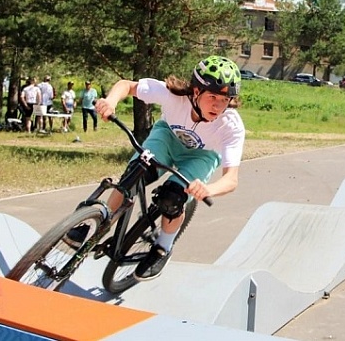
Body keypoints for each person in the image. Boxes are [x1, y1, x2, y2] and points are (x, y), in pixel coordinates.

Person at [65, 55, 245, 281]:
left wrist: (209, 189)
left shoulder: (231, 126)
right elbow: (126, 86)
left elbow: (232, 179)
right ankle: (98, 225)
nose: (218, 106)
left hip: (200, 156)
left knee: (172, 198)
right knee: (133, 175)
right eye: (213, 97)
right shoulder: (172, 96)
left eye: (225, 99)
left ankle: (162, 248)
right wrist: (110, 101)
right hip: (167, 137)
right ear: (196, 91)